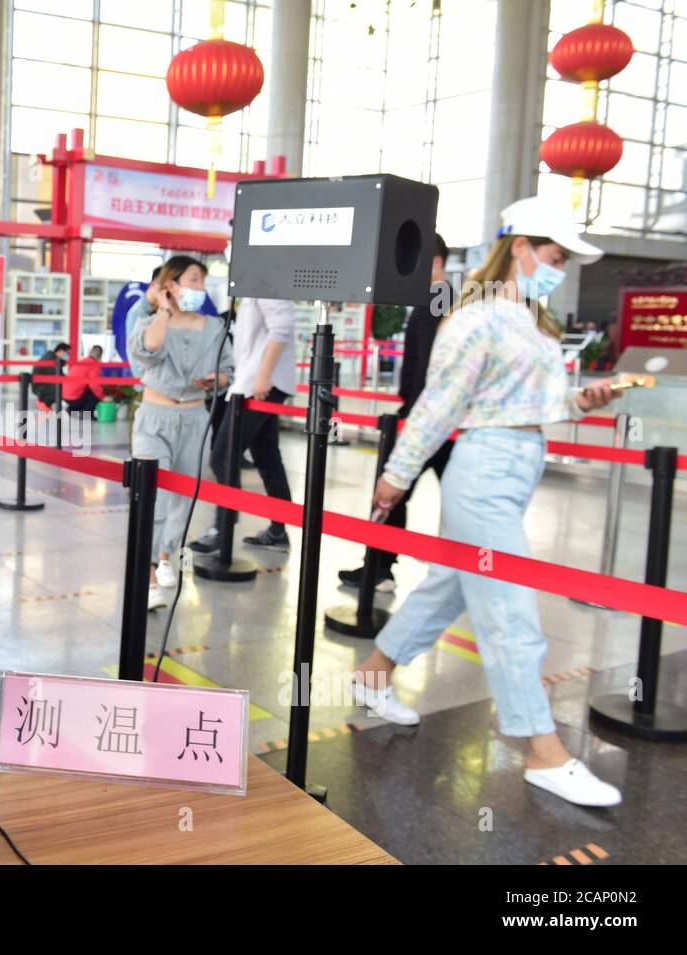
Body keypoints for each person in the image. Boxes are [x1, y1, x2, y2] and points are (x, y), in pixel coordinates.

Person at [352, 196, 623, 807]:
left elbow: (531, 400)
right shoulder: (475, 320)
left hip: (517, 459)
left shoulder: (532, 320)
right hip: (484, 468)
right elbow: (438, 402)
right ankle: (541, 749)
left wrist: (583, 400)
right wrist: (396, 476)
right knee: (508, 612)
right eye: (554, 255)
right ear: (520, 247)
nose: (559, 269)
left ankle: (373, 674)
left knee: (449, 582)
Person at [337, 233, 452, 589]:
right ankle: (382, 565)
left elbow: (434, 368)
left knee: (391, 491)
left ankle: (382, 567)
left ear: (434, 263)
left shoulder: (440, 300)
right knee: (401, 494)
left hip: (429, 418)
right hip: (434, 416)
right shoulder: (444, 298)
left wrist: (415, 412)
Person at [128, 255, 233, 611]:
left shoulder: (215, 327)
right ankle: (149, 578)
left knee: (182, 498)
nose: (199, 289)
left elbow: (227, 371)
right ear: (171, 284)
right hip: (154, 417)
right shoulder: (147, 320)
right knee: (151, 495)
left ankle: (165, 555)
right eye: (193, 280)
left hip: (195, 418)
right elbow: (148, 350)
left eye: (202, 282)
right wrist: (164, 310)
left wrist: (214, 380)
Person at [188, 295, 298, 554]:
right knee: (267, 458)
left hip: (259, 386)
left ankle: (222, 532)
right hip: (253, 382)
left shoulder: (266, 275)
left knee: (222, 457)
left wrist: (263, 375)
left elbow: (281, 328)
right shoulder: (252, 282)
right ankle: (278, 531)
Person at [64, 345, 106, 413]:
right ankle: (85, 413)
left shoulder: (82, 361)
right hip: (74, 398)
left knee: (87, 389)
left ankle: (71, 410)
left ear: (90, 352)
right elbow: (94, 385)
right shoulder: (94, 365)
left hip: (65, 396)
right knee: (95, 394)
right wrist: (103, 397)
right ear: (100, 356)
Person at [32, 342, 71, 409]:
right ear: (61, 351)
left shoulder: (52, 357)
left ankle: (46, 402)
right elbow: (58, 377)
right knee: (64, 389)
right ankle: (44, 402)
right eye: (67, 353)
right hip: (41, 388)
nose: (68, 356)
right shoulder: (52, 360)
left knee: (64, 386)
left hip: (43, 385)